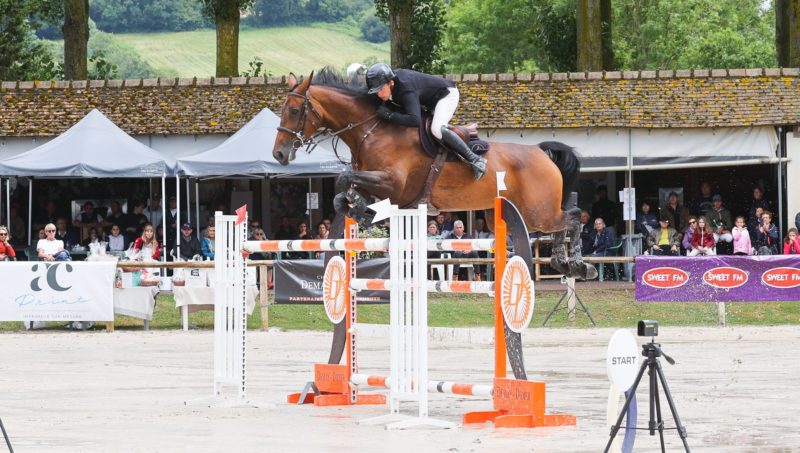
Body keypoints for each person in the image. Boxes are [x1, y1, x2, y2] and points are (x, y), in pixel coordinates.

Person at [365, 62, 487, 179]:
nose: (379, 94)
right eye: (376, 91)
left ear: (390, 82)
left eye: (381, 89)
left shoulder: (405, 89)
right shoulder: (390, 83)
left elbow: (414, 120)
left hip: (446, 95)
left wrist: (389, 115)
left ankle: (475, 160)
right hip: (429, 101)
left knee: (437, 129)